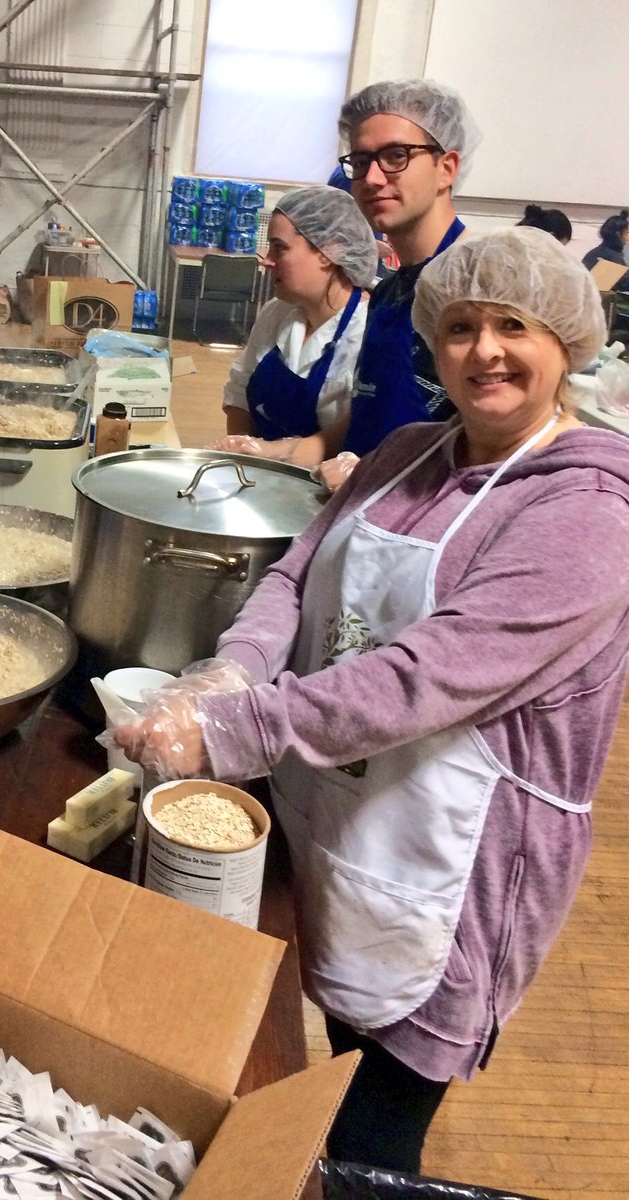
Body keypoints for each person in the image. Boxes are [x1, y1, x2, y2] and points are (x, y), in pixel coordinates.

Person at [113, 227, 629, 1173]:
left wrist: (238, 727)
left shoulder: (587, 512)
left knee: (371, 1140)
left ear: (566, 342)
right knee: (331, 1053)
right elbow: (295, 577)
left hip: (456, 861)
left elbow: (424, 676)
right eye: (461, 328)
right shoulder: (406, 452)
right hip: (342, 815)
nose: (484, 351)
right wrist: (233, 670)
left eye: (513, 327)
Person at [306, 79, 482, 489]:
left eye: (396, 156)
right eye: (361, 160)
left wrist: (373, 475)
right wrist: (286, 450)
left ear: (447, 168)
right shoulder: (388, 292)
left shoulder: (478, 288)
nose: (372, 177)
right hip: (362, 506)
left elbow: (500, 446)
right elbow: (372, 412)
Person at [210, 186, 374, 462]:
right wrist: (243, 458)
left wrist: (265, 456)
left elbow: (352, 437)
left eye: (279, 248)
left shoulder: (368, 334)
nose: (267, 260)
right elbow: (239, 392)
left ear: (328, 251)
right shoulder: (276, 314)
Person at [581, 210, 629, 291]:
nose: (627, 238)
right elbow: (625, 283)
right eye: (627, 233)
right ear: (618, 234)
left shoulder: (593, 253)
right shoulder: (613, 257)